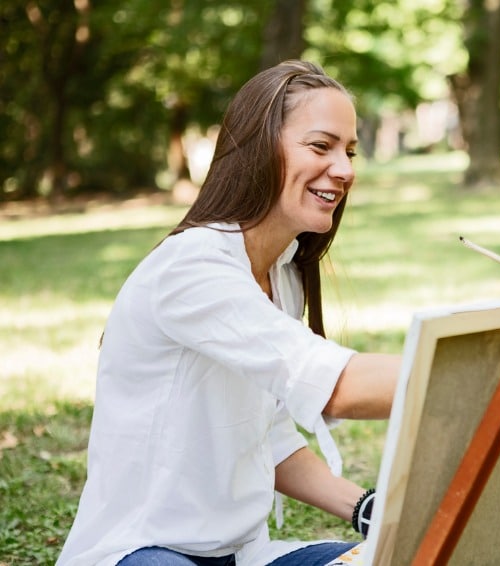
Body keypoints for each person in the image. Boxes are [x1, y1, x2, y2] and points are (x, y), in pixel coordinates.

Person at [57, 60, 401, 566]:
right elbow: (340, 387)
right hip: (140, 552)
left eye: (349, 151)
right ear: (261, 148)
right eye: (320, 146)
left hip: (242, 557)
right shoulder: (193, 267)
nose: (346, 170)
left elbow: (269, 437)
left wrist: (365, 507)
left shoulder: (281, 274)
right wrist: (498, 369)